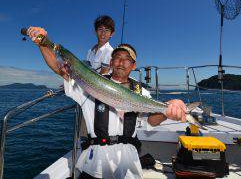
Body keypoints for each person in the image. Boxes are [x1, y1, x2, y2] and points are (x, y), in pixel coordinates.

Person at [28, 29, 187, 179]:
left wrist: (168, 111)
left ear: (134, 65)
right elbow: (58, 67)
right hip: (96, 158)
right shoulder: (89, 83)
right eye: (117, 57)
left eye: (127, 59)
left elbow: (152, 120)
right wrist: (42, 43)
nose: (121, 62)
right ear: (111, 62)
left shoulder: (141, 92)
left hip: (129, 161)